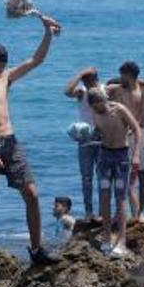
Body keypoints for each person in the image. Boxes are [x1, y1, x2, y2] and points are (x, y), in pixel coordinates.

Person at [0, 16, 63, 268]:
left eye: (1, 65)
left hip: (10, 141)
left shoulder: (6, 78)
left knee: (31, 193)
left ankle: (36, 248)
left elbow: (36, 60)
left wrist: (47, 33)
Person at [85, 88, 143, 257]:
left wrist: (137, 155)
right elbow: (98, 132)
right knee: (104, 196)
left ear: (105, 100)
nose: (97, 109)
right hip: (104, 156)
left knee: (120, 198)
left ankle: (122, 240)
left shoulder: (119, 109)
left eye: (99, 105)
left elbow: (137, 130)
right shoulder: (94, 112)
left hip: (121, 157)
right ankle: (106, 237)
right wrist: (86, 136)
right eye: (94, 107)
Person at [106, 62, 144, 222]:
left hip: (141, 133)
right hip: (123, 135)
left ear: (130, 75)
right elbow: (102, 88)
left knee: (143, 174)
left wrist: (134, 127)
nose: (121, 78)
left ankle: (141, 212)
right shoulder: (117, 90)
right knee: (123, 175)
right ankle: (122, 212)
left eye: (123, 75)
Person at [64, 66, 103, 221]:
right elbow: (67, 92)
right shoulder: (82, 92)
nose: (86, 82)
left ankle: (102, 212)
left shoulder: (104, 89)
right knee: (86, 177)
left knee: (102, 177)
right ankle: (89, 212)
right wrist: (79, 74)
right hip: (85, 138)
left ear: (96, 79)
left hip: (102, 136)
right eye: (84, 80)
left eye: (89, 79)